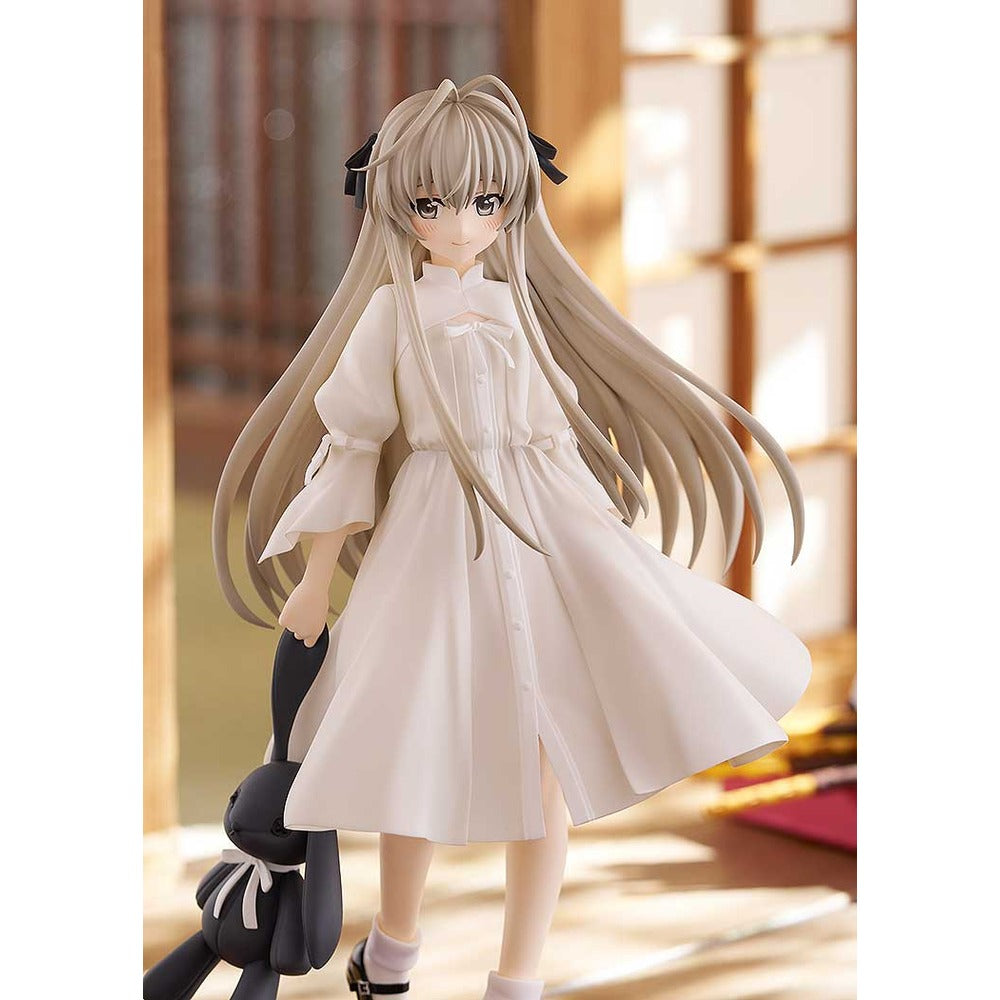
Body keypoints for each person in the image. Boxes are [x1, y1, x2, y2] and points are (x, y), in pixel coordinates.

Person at [213, 75, 811, 1000]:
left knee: (545, 765)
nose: (459, 225)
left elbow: (552, 427)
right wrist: (316, 574)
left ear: (514, 202)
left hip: (541, 526)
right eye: (431, 204)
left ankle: (517, 978)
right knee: (415, 743)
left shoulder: (517, 307)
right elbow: (353, 440)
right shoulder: (391, 314)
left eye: (484, 202)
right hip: (433, 538)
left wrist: (595, 530)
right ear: (395, 204)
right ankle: (394, 947)